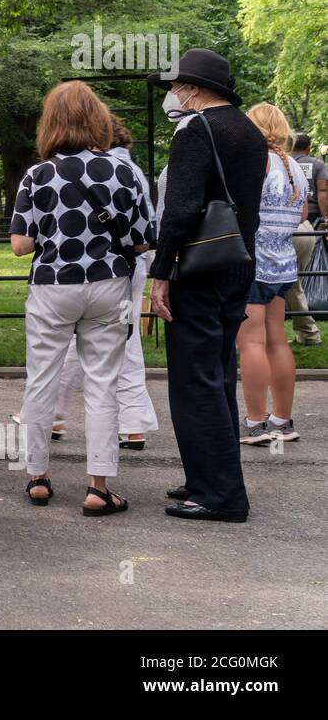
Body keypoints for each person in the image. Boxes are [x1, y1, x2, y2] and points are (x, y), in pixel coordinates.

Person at [10, 82, 152, 516]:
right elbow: (143, 240)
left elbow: (18, 245)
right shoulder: (123, 171)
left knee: (41, 380)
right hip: (109, 284)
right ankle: (98, 486)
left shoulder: (37, 175)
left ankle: (37, 476)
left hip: (53, 285)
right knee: (103, 383)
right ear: (99, 120)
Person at [148, 48, 267, 522]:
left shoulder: (197, 130)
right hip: (238, 261)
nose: (174, 94)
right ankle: (208, 479)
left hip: (197, 267)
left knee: (194, 381)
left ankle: (220, 495)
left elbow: (179, 210)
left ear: (194, 88)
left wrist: (161, 272)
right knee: (219, 375)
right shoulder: (250, 131)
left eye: (176, 86)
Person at [46, 117, 159, 450]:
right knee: (125, 339)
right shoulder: (131, 170)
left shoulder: (96, 169)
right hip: (130, 263)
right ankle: (132, 422)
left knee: (75, 338)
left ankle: (51, 413)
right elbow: (144, 228)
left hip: (97, 266)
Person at [237, 103, 308, 446]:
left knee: (250, 342)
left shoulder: (256, 162)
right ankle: (282, 418)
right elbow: (301, 214)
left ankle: (255, 422)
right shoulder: (292, 165)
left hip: (252, 263)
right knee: (277, 340)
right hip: (282, 264)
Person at [289, 132, 326, 345]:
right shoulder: (317, 164)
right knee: (296, 280)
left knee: (291, 281)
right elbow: (323, 191)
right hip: (308, 222)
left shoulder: (282, 162)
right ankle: (307, 332)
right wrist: (326, 217)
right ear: (309, 147)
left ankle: (307, 332)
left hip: (287, 222)